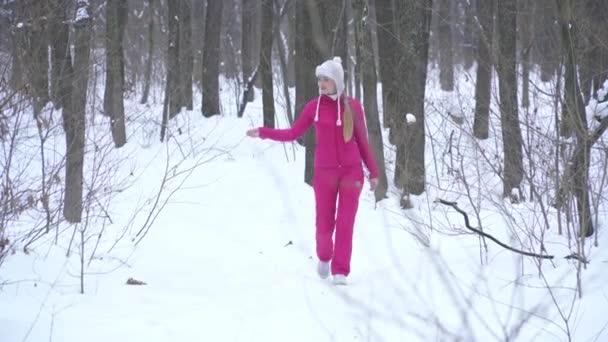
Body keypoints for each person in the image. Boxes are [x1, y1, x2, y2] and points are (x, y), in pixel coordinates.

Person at [246, 57, 379, 285]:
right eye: (319, 79)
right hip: (324, 175)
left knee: (345, 222)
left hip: (351, 173)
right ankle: (325, 257)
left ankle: (340, 271)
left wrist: (373, 172)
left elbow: (363, 142)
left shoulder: (354, 107)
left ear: (337, 80)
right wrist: (264, 131)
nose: (321, 83)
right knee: (324, 225)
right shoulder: (313, 107)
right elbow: (292, 133)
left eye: (326, 79)